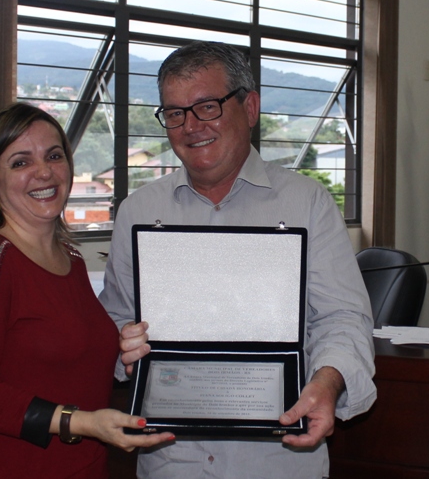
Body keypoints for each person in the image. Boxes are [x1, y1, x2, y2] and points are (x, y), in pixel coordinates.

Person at [99, 42, 377, 478]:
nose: (191, 126)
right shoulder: (137, 212)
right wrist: (123, 345)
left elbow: (343, 317)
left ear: (249, 107)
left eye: (207, 107)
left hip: (279, 460)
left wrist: (326, 384)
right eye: (175, 114)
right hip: (174, 462)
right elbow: (114, 317)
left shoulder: (308, 204)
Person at [0, 103, 173, 479]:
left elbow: (67, 355)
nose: (43, 172)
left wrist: (122, 346)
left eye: (54, 156)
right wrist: (81, 423)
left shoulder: (71, 258)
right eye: (20, 162)